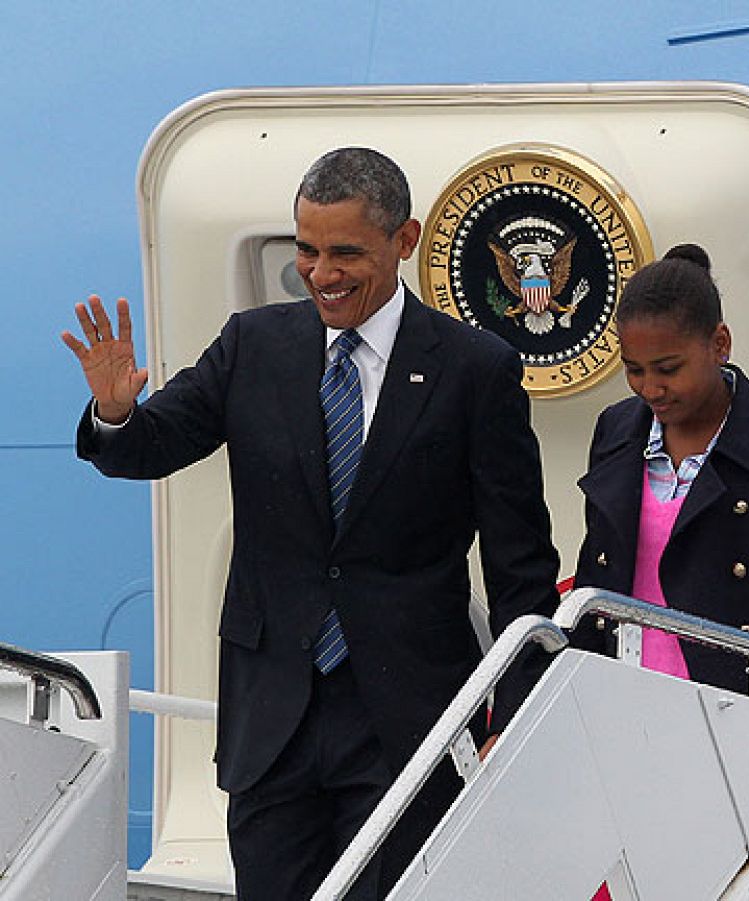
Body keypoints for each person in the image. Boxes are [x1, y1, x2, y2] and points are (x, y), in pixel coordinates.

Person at [63, 148, 561, 899]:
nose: (320, 273)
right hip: (273, 719)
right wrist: (117, 412)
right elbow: (154, 444)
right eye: (306, 250)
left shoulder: (473, 368)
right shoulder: (252, 346)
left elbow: (520, 561)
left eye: (344, 253)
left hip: (405, 715)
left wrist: (515, 712)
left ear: (405, 240)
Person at [569, 243, 749, 708]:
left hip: (733, 710)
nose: (651, 389)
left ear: (719, 344)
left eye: (669, 369)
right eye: (634, 371)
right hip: (614, 697)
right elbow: (599, 573)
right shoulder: (615, 429)